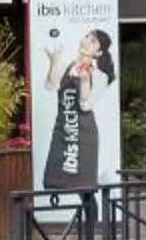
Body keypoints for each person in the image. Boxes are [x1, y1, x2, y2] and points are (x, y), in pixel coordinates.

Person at [40, 28, 112, 189]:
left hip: (83, 132)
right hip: (64, 127)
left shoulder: (100, 75)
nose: (87, 41)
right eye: (87, 36)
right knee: (58, 180)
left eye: (93, 41)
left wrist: (85, 82)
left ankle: (91, 213)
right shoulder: (69, 65)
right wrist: (54, 62)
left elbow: (85, 105)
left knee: (84, 185)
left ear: (99, 52)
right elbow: (50, 86)